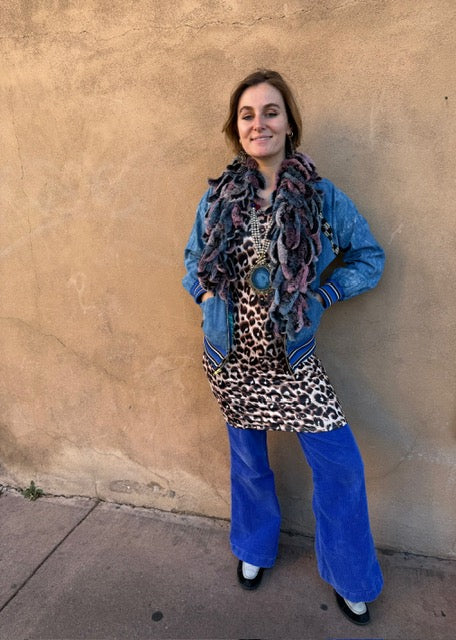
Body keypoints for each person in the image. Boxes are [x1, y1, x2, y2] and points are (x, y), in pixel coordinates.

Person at [182, 69, 384, 626]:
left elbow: (369, 256)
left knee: (341, 467)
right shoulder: (218, 197)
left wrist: (322, 296)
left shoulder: (320, 197)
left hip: (293, 363)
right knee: (249, 464)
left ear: (290, 123)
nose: (259, 124)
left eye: (271, 112)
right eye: (247, 115)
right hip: (232, 359)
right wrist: (205, 297)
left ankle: (350, 575)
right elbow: (192, 259)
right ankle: (253, 547)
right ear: (237, 128)